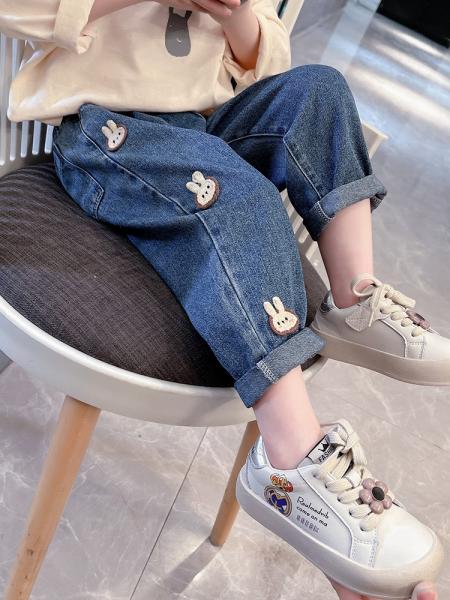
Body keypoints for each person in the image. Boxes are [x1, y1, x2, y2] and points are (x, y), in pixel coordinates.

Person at [0, 0, 446, 598]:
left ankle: (354, 301)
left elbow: (266, 59)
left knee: (319, 91)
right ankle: (291, 458)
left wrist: (233, 15)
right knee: (243, 197)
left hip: (202, 128)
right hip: (103, 134)